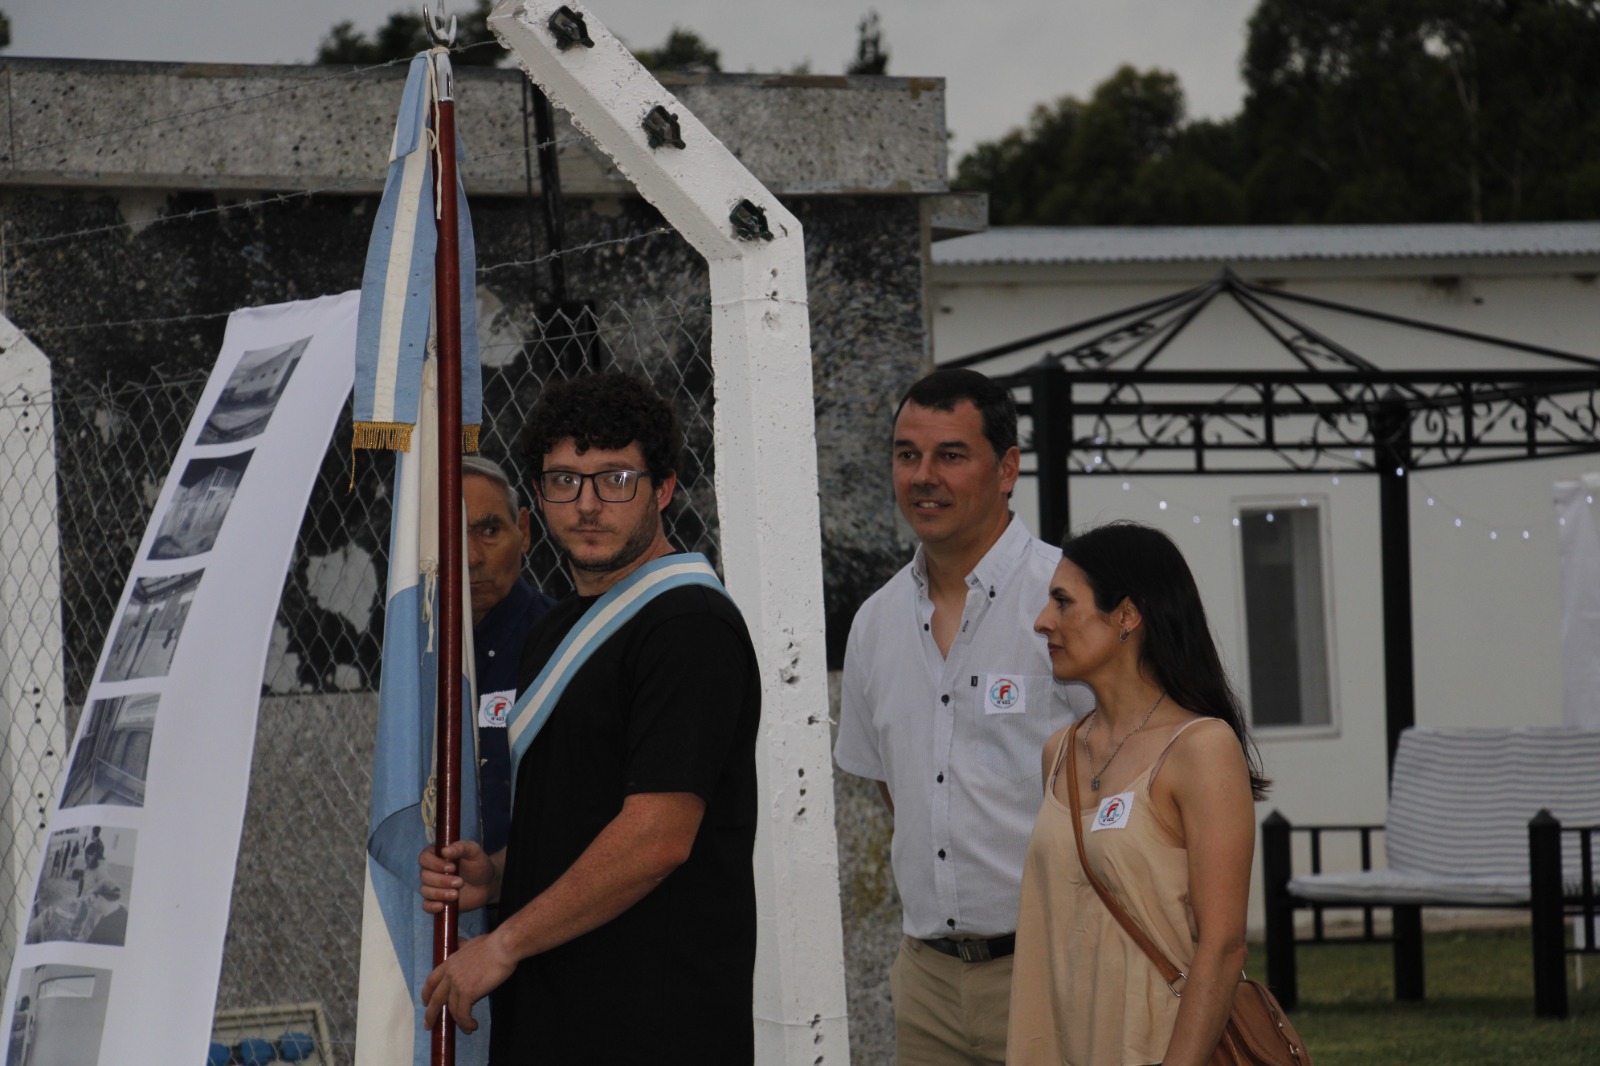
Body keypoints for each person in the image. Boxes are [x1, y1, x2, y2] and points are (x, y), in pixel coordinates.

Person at [419, 372, 761, 1064]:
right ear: (539, 495)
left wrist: (504, 943)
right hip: (557, 1009)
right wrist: (500, 875)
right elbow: (580, 811)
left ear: (663, 489)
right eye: (564, 481)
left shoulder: (689, 625)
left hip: (655, 1020)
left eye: (616, 479)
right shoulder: (554, 629)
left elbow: (657, 836)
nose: (587, 504)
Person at [833, 367, 1093, 1066]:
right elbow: (894, 787)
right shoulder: (875, 622)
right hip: (927, 982)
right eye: (907, 455)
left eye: (951, 455)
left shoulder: (1070, 599)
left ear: (1007, 469)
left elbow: (1135, 772)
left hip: (1054, 965)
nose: (924, 477)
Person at [1009, 521, 1269, 1066]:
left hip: (1159, 1047)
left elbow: (1223, 946)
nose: (1042, 621)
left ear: (1127, 615)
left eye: (1063, 602)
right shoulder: (1059, 753)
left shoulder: (1200, 748)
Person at [460, 454, 555, 870]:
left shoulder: (560, 647)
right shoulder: (415, 655)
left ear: (524, 531)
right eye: (448, 534)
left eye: (489, 531)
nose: (470, 557)